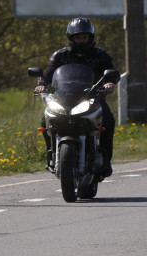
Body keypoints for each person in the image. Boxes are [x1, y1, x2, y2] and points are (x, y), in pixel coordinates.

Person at [33, 18, 116, 177]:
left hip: (92, 98)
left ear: (90, 37)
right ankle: (50, 155)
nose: (81, 41)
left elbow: (110, 72)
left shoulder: (100, 55)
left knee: (108, 121)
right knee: (45, 121)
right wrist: (42, 83)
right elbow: (47, 74)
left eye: (84, 37)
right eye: (78, 38)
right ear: (71, 38)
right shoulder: (61, 55)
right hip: (63, 99)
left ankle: (105, 161)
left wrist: (110, 83)